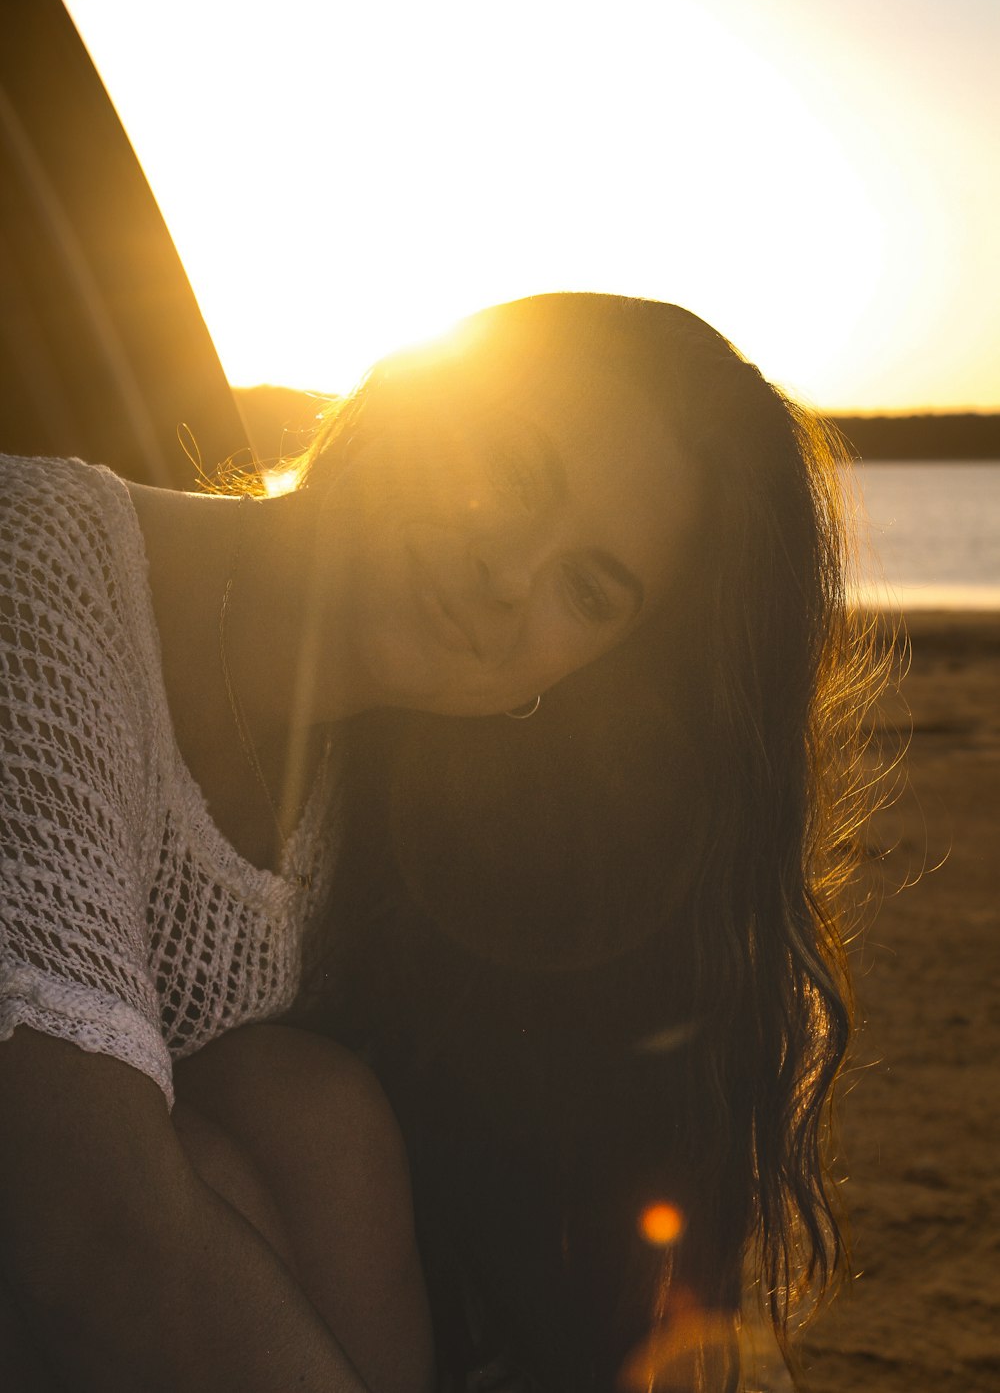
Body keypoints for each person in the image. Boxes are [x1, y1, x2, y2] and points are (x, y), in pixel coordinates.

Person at [0, 293, 880, 1392]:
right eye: (514, 470)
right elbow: (87, 1220)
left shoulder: (392, 797)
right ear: (405, 402)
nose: (509, 578)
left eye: (587, 587)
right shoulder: (34, 568)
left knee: (311, 1116)